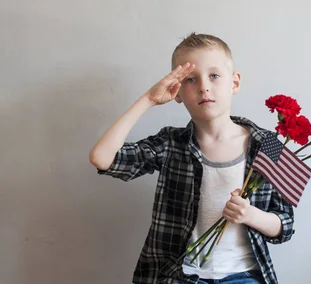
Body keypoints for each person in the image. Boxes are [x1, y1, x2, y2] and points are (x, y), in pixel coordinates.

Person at [89, 33, 295, 284]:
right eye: (190, 79)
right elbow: (102, 158)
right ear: (177, 92)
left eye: (214, 75)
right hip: (180, 276)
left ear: (235, 82)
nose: (204, 86)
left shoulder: (269, 145)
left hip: (243, 276)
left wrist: (250, 215)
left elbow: (284, 225)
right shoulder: (170, 144)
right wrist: (148, 100)